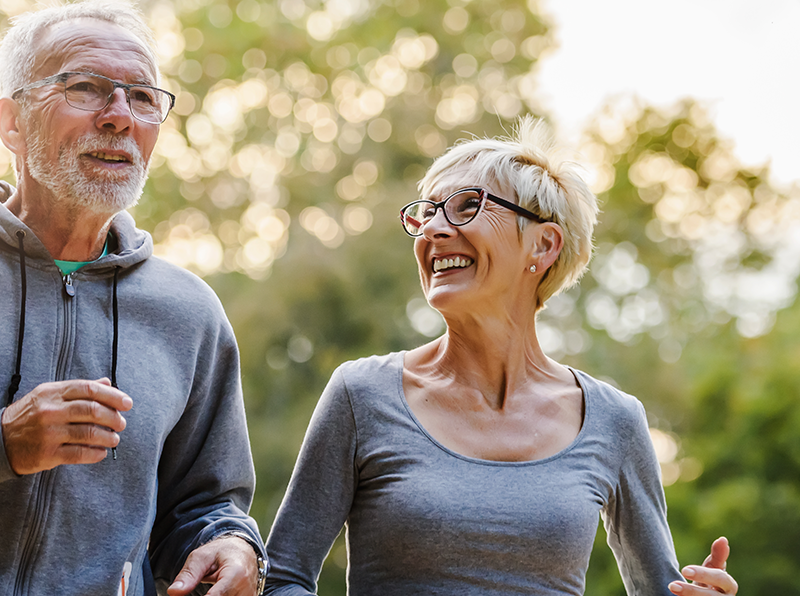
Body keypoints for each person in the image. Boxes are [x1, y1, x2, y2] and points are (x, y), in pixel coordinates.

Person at [0, 0, 267, 595]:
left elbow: (205, 504)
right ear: (12, 122)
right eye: (86, 88)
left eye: (143, 97)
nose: (120, 117)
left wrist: (231, 543)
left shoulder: (188, 313)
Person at [263, 118, 738, 596]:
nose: (434, 229)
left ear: (543, 245)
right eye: (426, 214)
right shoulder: (361, 395)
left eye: (467, 207)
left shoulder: (615, 420)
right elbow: (282, 579)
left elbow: (660, 588)